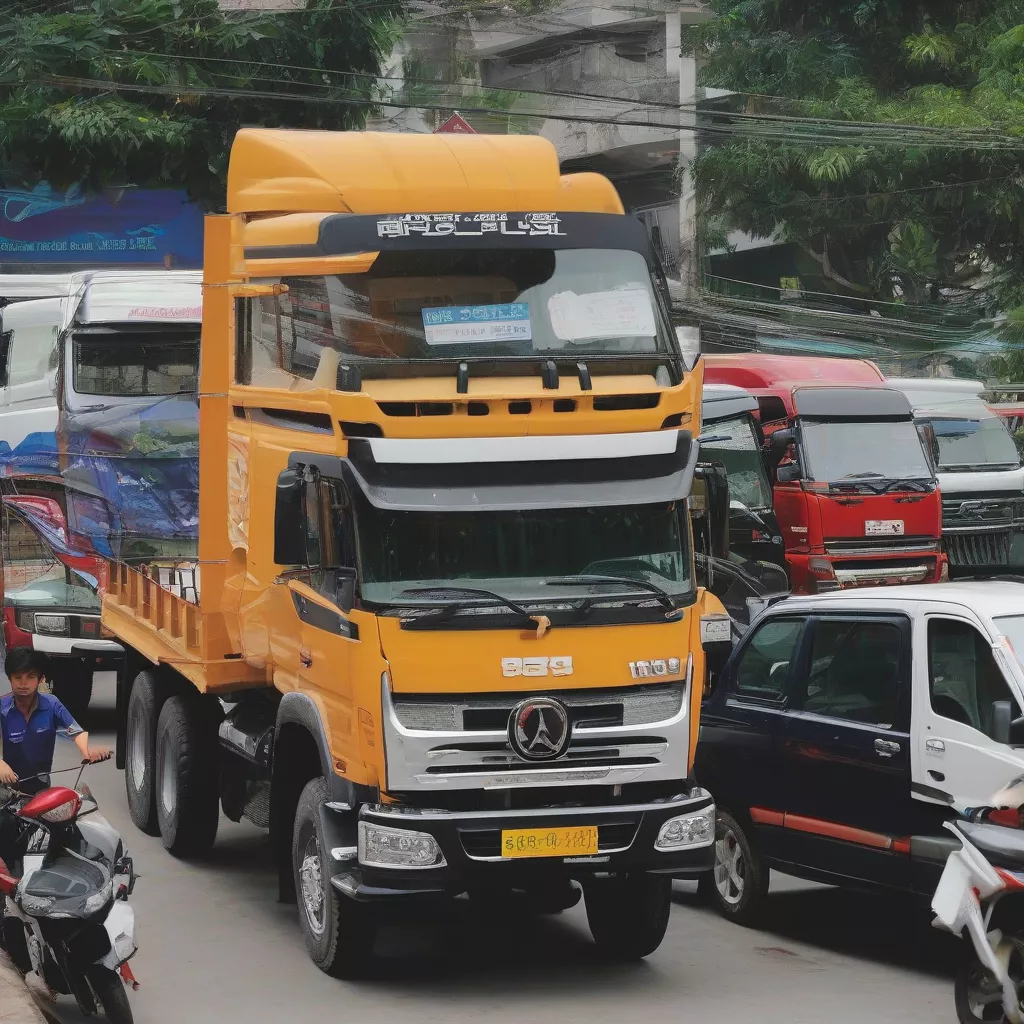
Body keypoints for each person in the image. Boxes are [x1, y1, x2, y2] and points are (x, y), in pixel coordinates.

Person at [0, 648, 109, 792]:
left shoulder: (52, 704)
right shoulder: (2, 708)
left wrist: (87, 749)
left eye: (31, 677)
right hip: (5, 788)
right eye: (18, 677)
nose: (23, 683)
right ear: (10, 679)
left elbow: (76, 732)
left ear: (41, 679)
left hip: (41, 787)